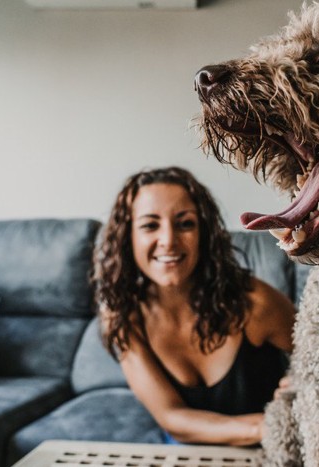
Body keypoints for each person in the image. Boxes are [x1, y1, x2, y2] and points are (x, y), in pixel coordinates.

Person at [93, 166, 296, 446]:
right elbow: (172, 417)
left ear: (204, 233)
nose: (168, 241)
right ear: (128, 237)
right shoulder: (122, 316)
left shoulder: (255, 302)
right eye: (150, 225)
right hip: (190, 446)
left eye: (185, 223)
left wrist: (302, 383)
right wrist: (266, 427)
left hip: (272, 448)